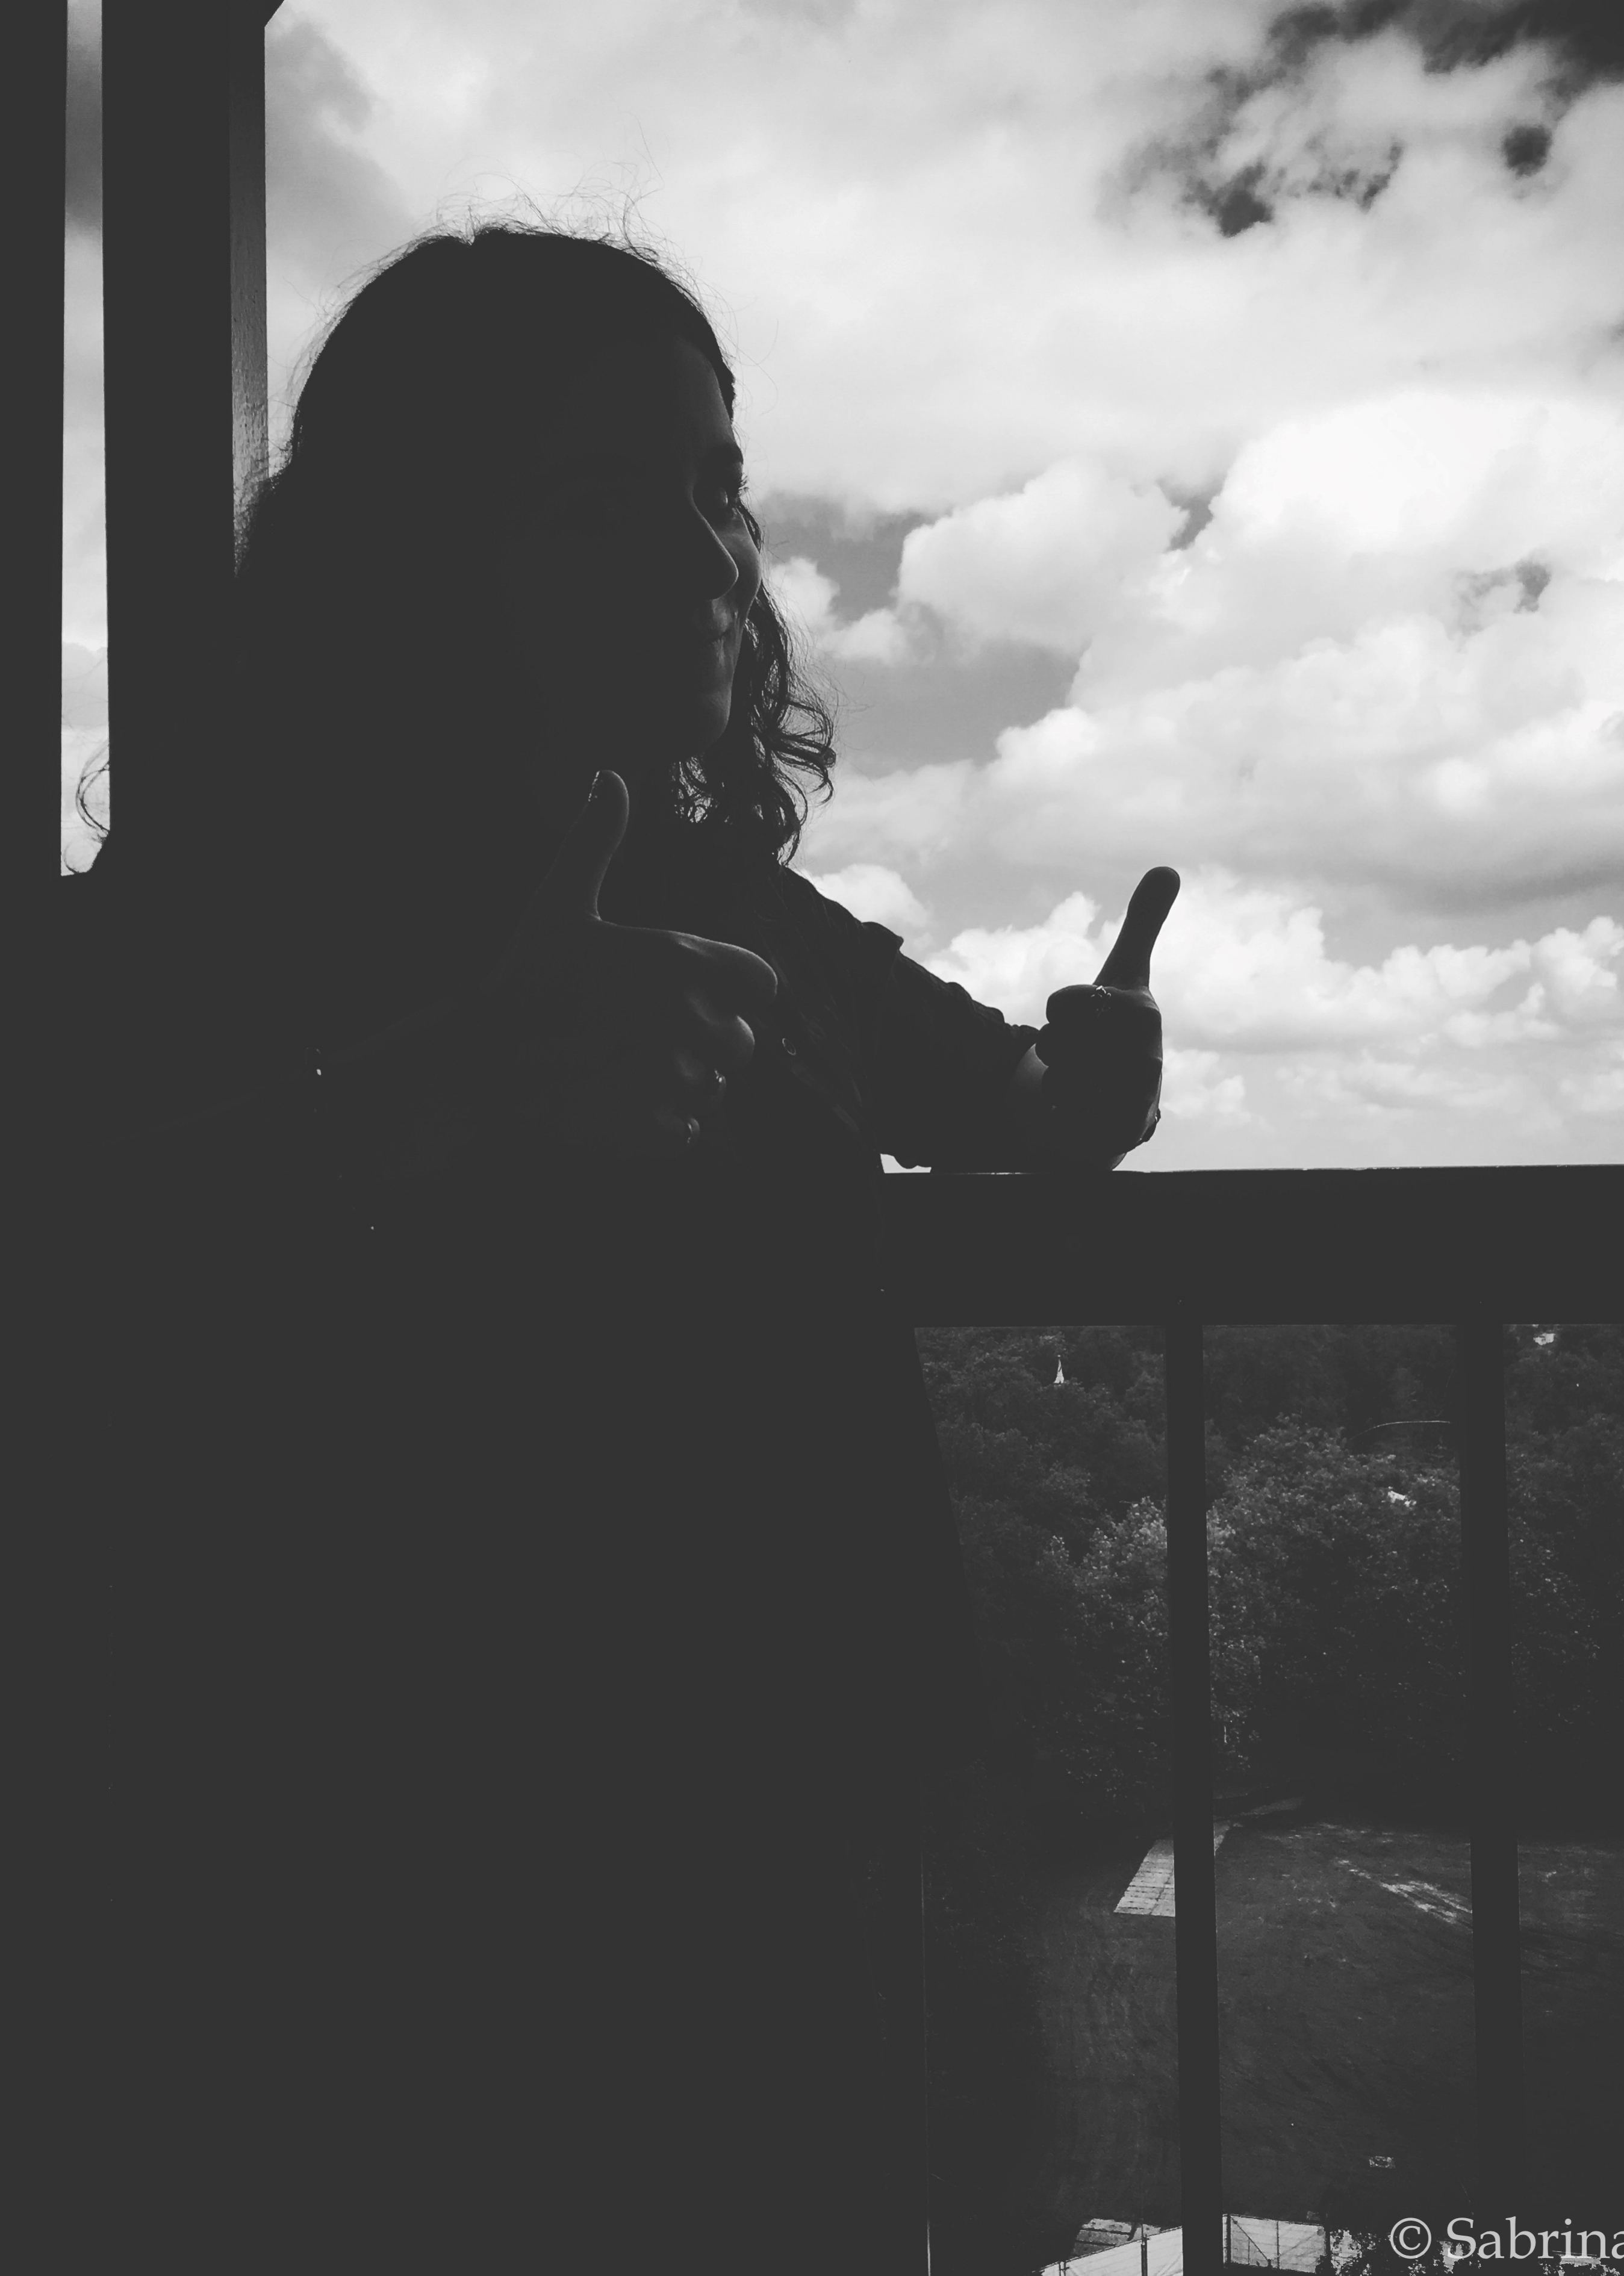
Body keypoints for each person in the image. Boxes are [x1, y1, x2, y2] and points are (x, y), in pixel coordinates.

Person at [64, 222, 1177, 2268]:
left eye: (715, 490)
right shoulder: (202, 910)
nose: (705, 556)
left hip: (794, 1866)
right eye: (597, 498)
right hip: (395, 1963)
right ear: (407, 548)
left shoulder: (728, 901)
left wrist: (1092, 1072)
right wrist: (422, 1101)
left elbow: (1008, 1103)